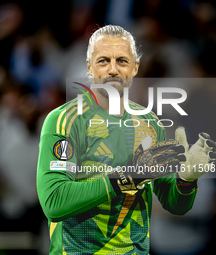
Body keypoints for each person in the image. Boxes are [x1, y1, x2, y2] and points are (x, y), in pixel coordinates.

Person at [36, 25, 216, 254]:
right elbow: (54, 202)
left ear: (135, 67)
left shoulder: (151, 124)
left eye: (122, 61)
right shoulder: (63, 121)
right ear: (89, 67)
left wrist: (186, 181)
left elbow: (175, 205)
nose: (113, 70)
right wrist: (125, 178)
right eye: (103, 61)